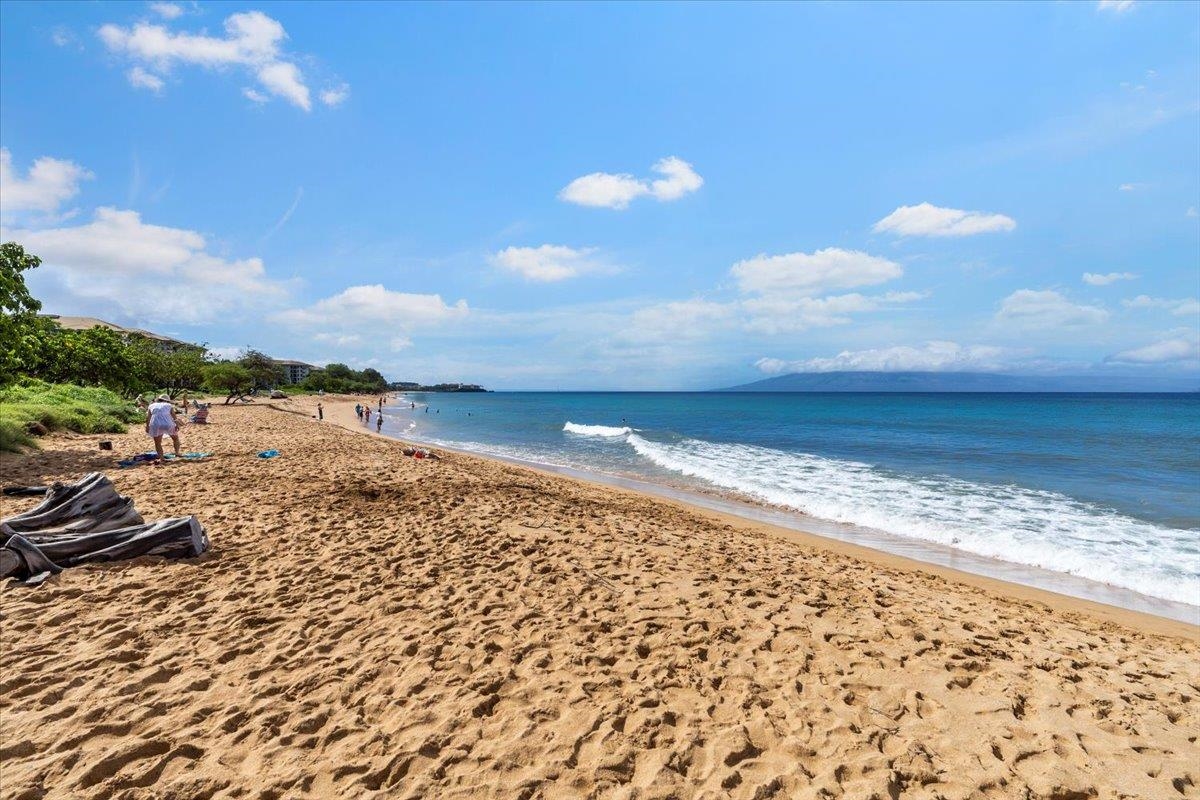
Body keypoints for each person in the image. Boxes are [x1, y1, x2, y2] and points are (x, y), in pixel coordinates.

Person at [145, 394, 181, 460]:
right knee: (175, 438)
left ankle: (161, 457)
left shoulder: (151, 405)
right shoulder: (169, 405)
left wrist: (147, 426)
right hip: (168, 423)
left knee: (157, 442)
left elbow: (148, 418)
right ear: (167, 400)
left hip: (155, 424)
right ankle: (177, 453)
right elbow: (174, 416)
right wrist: (177, 424)